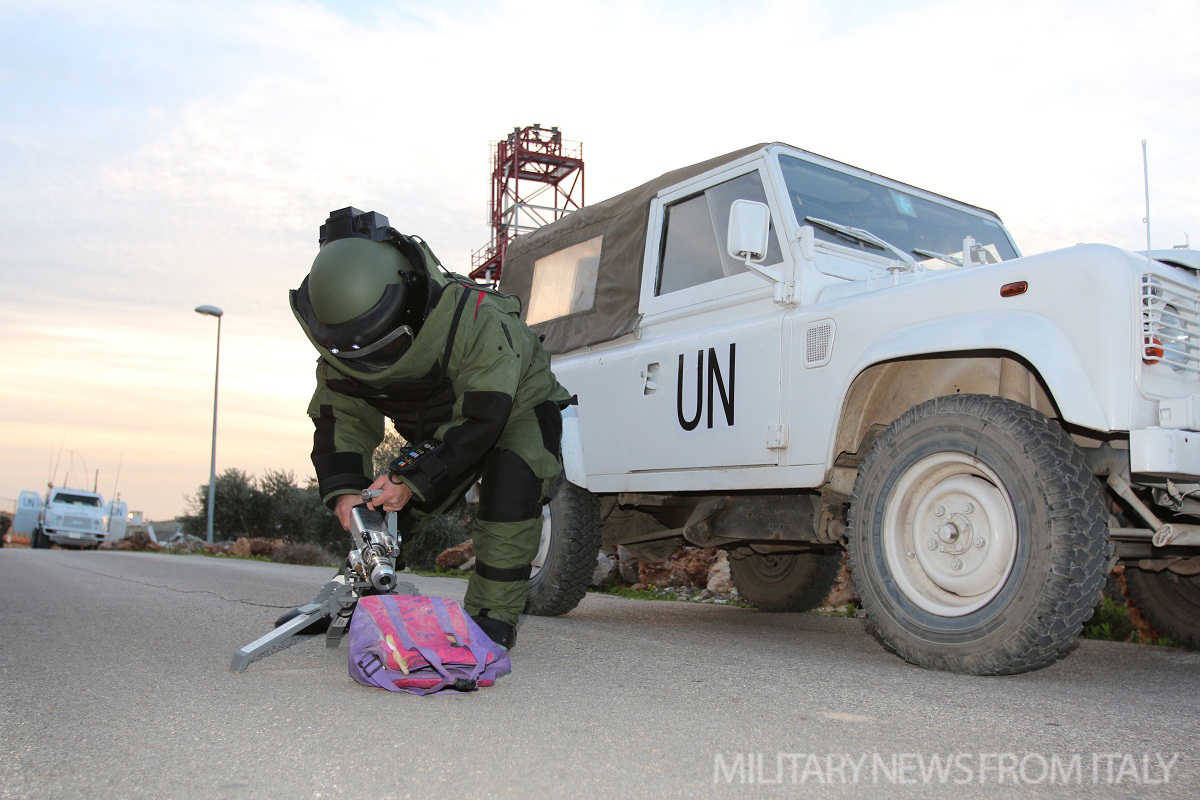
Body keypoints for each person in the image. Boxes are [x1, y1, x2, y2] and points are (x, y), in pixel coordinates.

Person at [287, 206, 573, 649]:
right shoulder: (340, 348)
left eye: (386, 346)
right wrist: (346, 493)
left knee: (511, 488)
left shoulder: (479, 320)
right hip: (444, 418)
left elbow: (481, 419)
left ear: (412, 302)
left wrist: (411, 477)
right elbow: (340, 421)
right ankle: (352, 597)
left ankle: (491, 618)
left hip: (514, 403)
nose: (372, 361)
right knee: (382, 505)